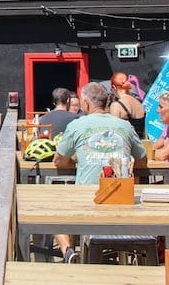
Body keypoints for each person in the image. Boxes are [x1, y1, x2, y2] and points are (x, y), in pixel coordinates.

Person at [52, 81, 147, 263]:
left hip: (87, 198)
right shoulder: (125, 126)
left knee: (54, 211)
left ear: (86, 103)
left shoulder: (77, 126)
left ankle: (68, 251)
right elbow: (142, 160)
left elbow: (58, 160)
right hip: (122, 199)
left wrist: (76, 158)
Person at [108, 72, 146, 136]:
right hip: (139, 142)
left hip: (126, 142)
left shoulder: (116, 106)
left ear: (114, 87)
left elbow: (113, 132)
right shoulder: (138, 103)